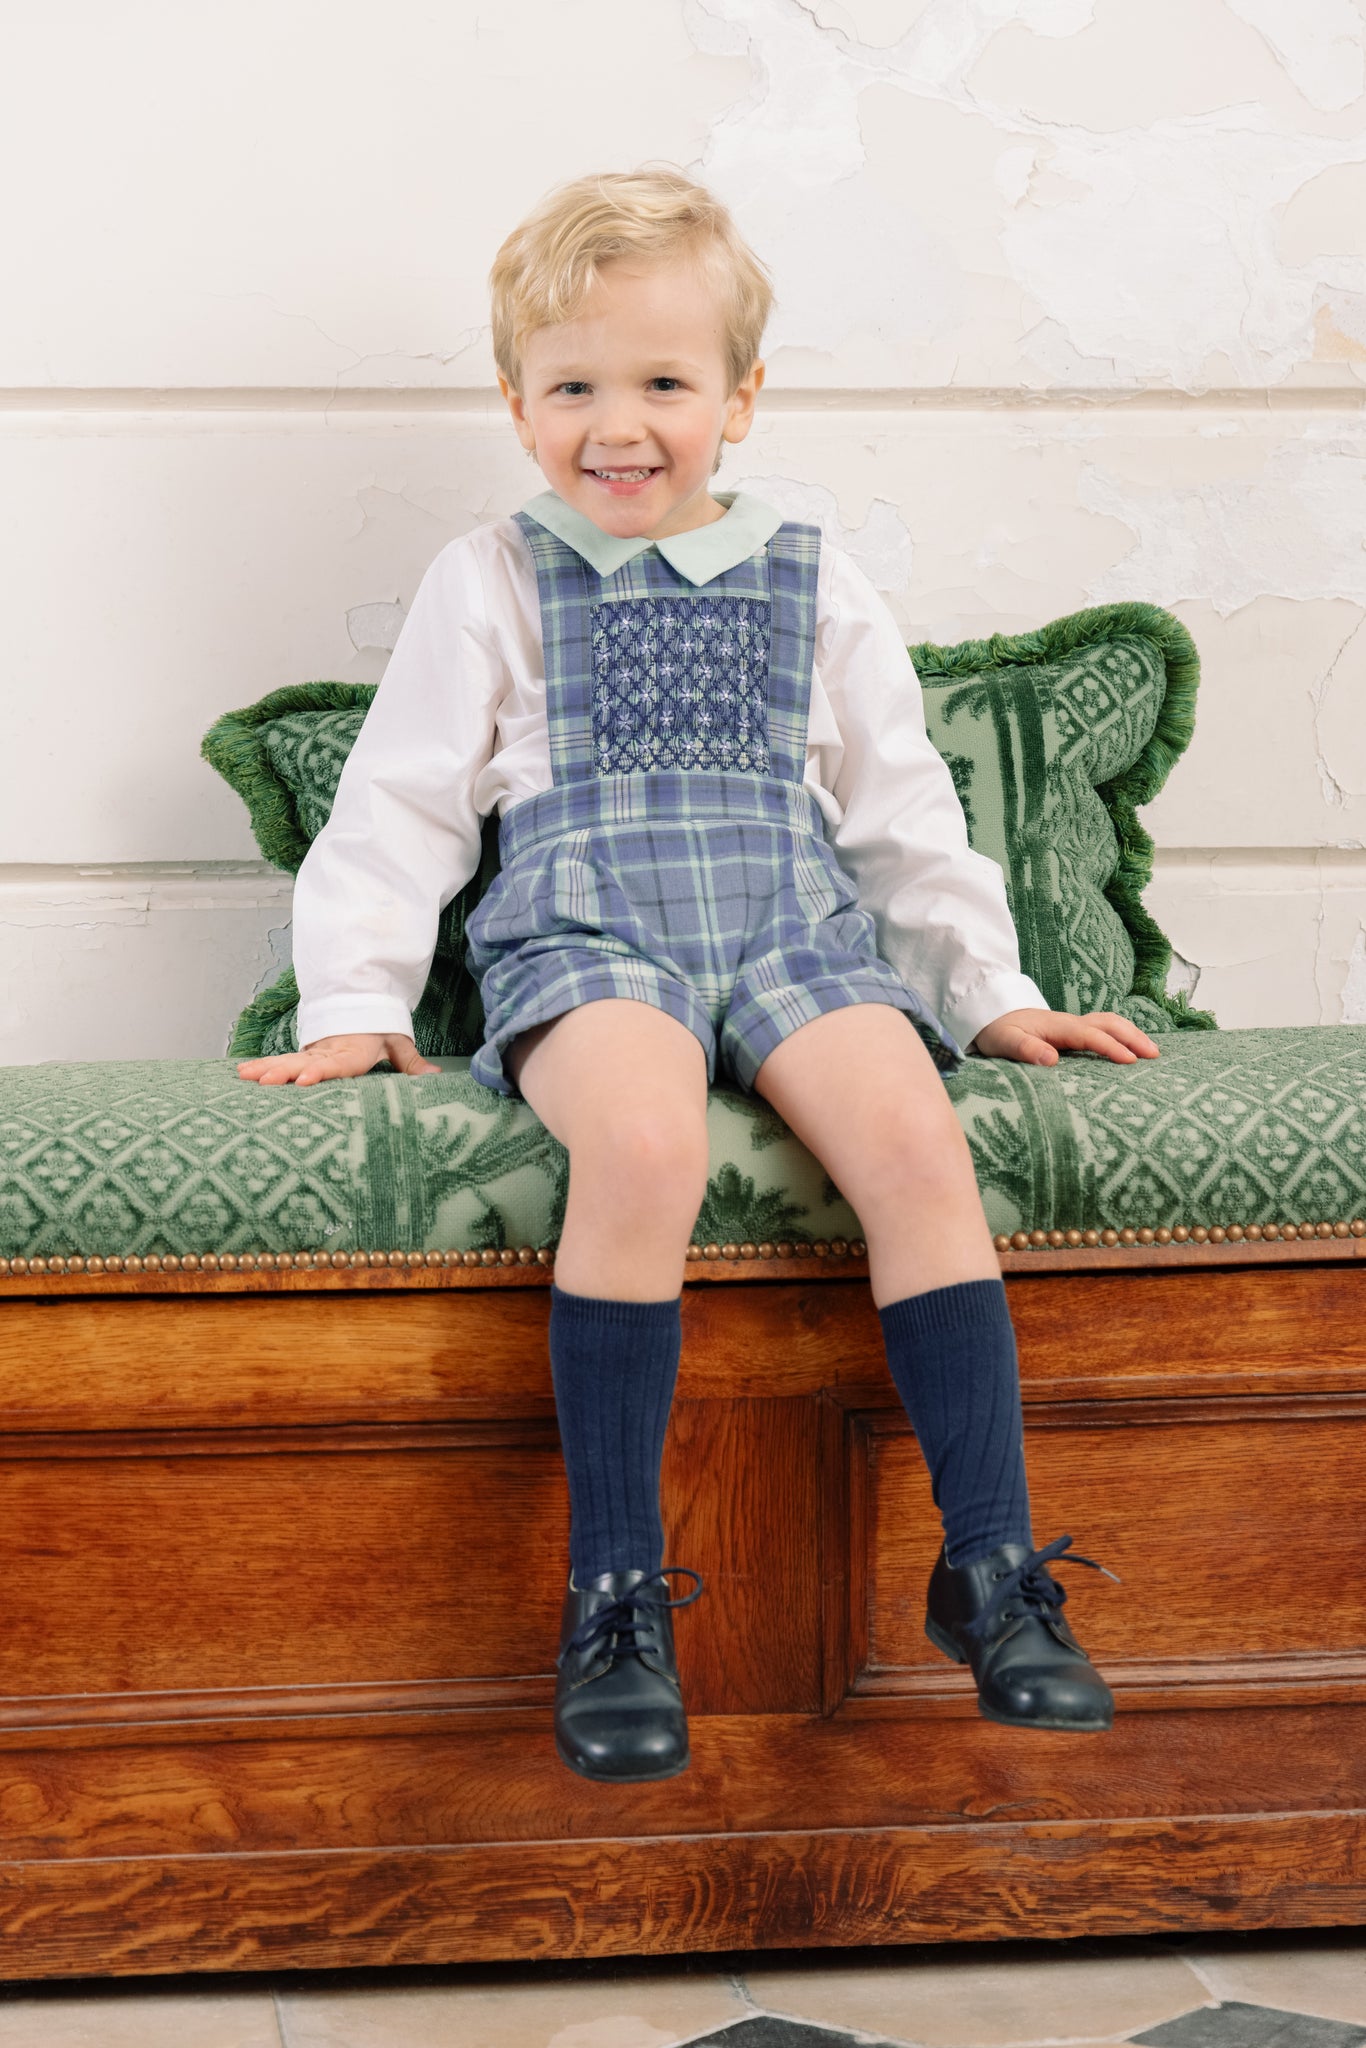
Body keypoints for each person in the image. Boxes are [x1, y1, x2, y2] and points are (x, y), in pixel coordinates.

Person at [238, 166, 1157, 1784]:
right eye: (572, 388)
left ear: (737, 399)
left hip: (790, 928)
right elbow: (399, 803)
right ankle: (613, 1592)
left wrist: (986, 991)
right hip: (588, 934)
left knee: (915, 1144)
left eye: (662, 383)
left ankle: (991, 1565)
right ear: (515, 405)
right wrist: (357, 1005)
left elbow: (898, 811)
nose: (618, 426)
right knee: (647, 1143)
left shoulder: (813, 572)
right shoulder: (491, 577)